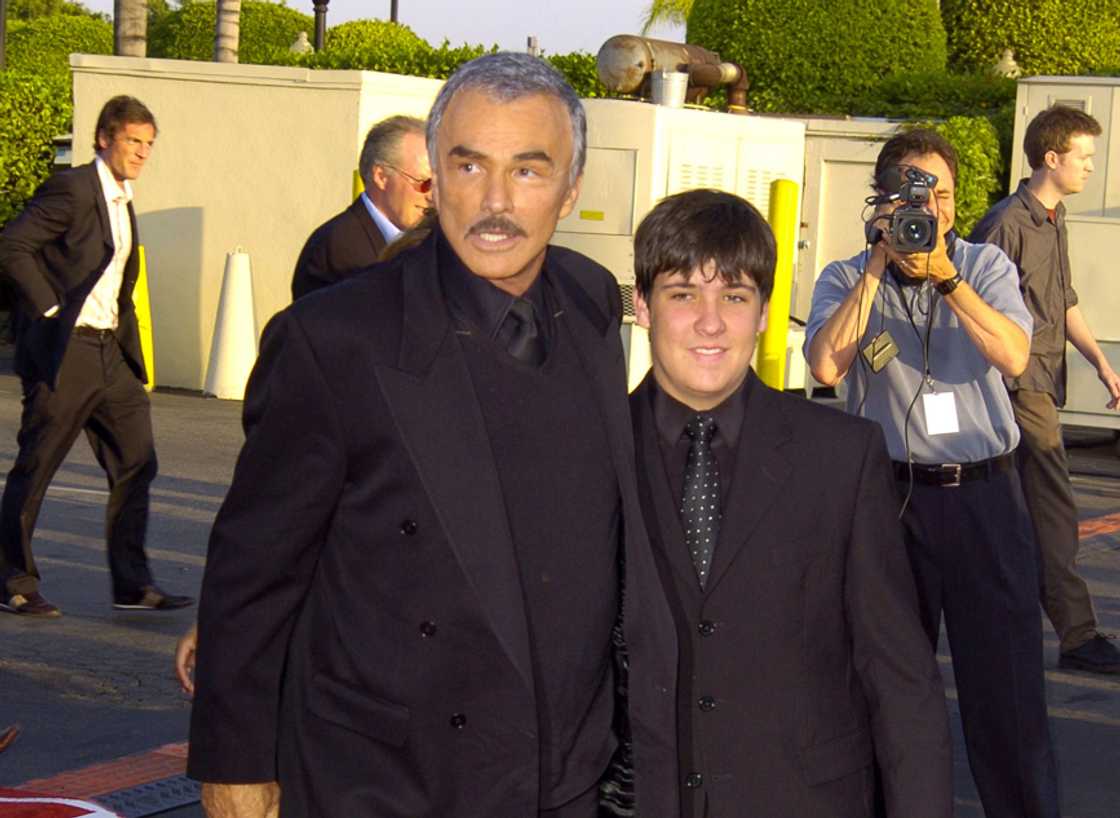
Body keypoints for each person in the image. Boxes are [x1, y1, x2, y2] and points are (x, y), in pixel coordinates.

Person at [187, 53, 678, 818]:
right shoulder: (334, 340)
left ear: (573, 188)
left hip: (567, 775)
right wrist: (236, 772)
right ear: (435, 180)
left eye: (528, 170)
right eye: (469, 164)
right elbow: (252, 576)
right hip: (389, 778)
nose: (494, 201)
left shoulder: (586, 303)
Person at [630, 189, 951, 818]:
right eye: (682, 295)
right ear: (641, 306)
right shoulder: (589, 453)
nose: (711, 322)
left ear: (764, 311)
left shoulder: (841, 457)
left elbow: (898, 676)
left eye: (735, 296)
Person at [806, 129, 1060, 818]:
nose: (933, 209)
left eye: (942, 194)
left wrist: (946, 277)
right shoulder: (844, 274)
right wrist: (876, 267)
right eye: (915, 194)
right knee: (889, 686)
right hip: (891, 502)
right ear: (883, 202)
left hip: (985, 499)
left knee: (1005, 693)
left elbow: (1013, 357)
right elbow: (827, 367)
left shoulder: (982, 266)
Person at [0, 96, 192, 617]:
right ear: (105, 138)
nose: (142, 153)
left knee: (137, 460)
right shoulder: (73, 189)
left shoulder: (122, 196)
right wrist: (50, 306)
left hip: (110, 351)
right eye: (134, 141)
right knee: (37, 465)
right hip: (68, 350)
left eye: (149, 144)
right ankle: (14, 580)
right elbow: (12, 245)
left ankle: (132, 585)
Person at [969, 105, 1120, 675]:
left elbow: (1065, 301)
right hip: (1016, 386)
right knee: (1053, 510)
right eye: (1082, 156)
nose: (1089, 167)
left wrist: (1102, 364)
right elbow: (969, 304)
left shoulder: (1055, 220)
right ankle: (1078, 637)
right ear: (1051, 159)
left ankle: (996, 627)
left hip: (1040, 383)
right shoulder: (1006, 223)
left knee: (1009, 517)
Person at [290, 115, 431, 300]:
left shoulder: (423, 241)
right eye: (424, 183)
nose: (432, 196)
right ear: (381, 177)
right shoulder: (339, 248)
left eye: (439, 184)